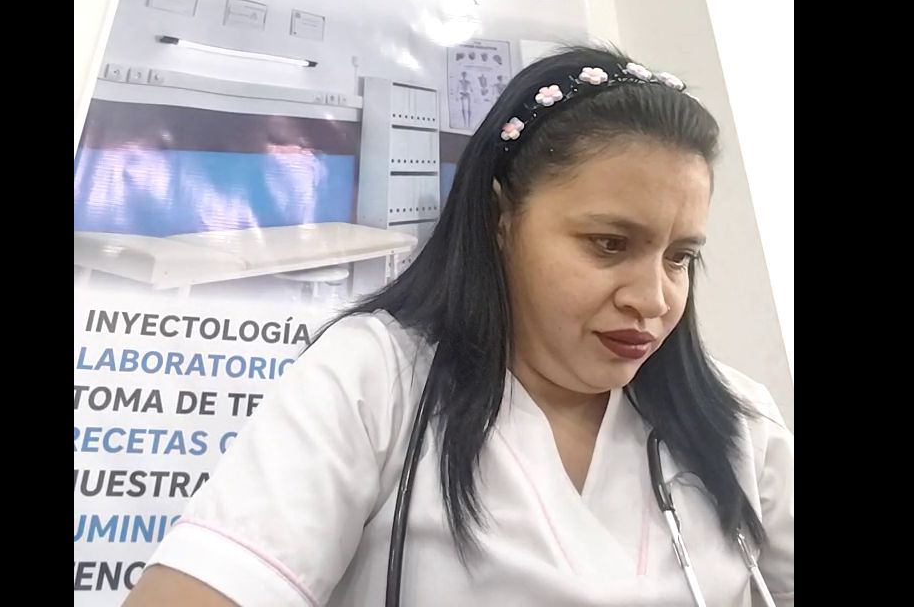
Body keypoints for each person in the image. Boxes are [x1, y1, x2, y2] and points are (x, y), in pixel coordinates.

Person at [125, 45, 794, 607]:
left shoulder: (742, 423)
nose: (653, 299)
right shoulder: (377, 379)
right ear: (500, 219)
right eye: (609, 244)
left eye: (680, 257)